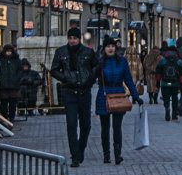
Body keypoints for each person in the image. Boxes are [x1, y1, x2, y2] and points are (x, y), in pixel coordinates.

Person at [50, 27, 99, 167]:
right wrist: (65, 78)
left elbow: (96, 67)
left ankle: (81, 149)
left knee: (86, 125)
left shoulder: (88, 52)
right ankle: (74, 155)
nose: (72, 41)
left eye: (75, 38)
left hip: (84, 92)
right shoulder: (61, 52)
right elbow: (54, 69)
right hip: (69, 91)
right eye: (70, 38)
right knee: (71, 124)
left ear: (79, 39)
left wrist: (90, 79)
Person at [95, 36, 142, 164]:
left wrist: (135, 96)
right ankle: (106, 155)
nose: (110, 49)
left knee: (117, 127)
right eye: (108, 46)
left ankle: (117, 154)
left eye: (112, 46)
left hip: (118, 94)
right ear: (104, 49)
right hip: (104, 95)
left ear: (116, 48)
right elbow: (92, 76)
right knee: (105, 128)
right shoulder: (100, 62)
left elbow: (128, 79)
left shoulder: (122, 61)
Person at [156, 40, 182, 121]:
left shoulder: (163, 60)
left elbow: (158, 70)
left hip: (164, 83)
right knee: (174, 98)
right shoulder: (178, 61)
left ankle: (167, 107)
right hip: (175, 83)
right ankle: (174, 114)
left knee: (166, 98)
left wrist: (158, 81)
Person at [0, 44, 23, 122]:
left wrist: (17, 78)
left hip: (14, 85)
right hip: (3, 85)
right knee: (3, 103)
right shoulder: (0, 59)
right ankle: (4, 117)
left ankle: (11, 117)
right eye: (7, 51)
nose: (8, 53)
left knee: (12, 103)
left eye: (10, 51)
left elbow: (20, 70)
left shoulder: (16, 60)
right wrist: (0, 78)